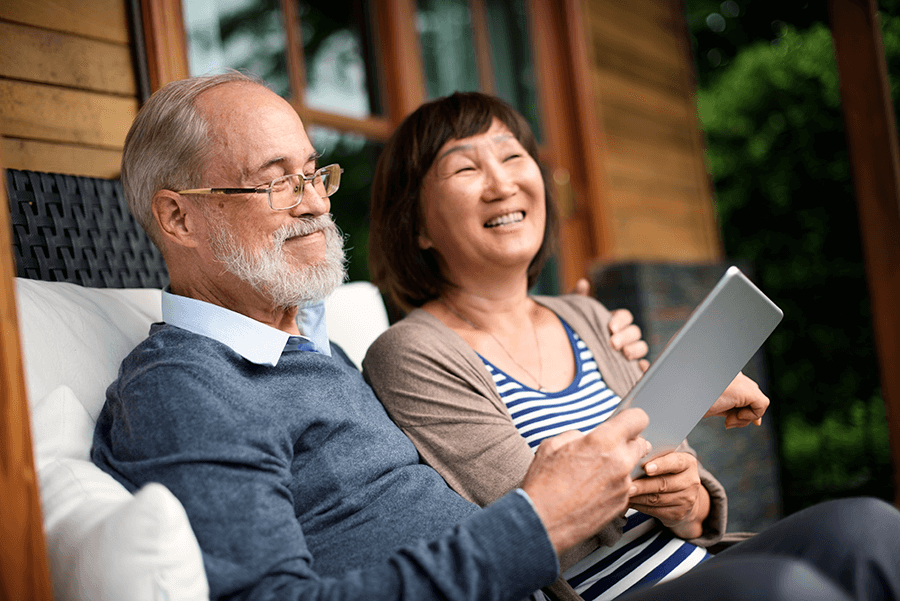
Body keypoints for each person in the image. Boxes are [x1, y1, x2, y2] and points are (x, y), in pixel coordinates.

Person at [91, 73, 899, 601]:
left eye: (316, 173)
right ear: (176, 215)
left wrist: (648, 388)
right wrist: (535, 518)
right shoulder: (181, 388)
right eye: (278, 181)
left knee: (866, 529)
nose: (312, 202)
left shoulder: (312, 346)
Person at [362, 91, 900, 601]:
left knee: (870, 525)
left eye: (512, 156)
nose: (502, 184)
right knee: (786, 588)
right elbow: (536, 523)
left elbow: (678, 471)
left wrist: (689, 501)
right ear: (417, 226)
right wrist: (658, 451)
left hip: (704, 563)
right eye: (465, 167)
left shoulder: (588, 316)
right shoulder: (411, 353)